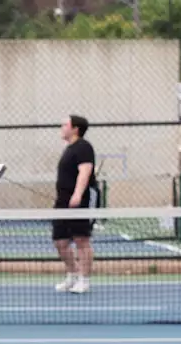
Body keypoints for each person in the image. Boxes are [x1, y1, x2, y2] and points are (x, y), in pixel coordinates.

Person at [52, 114, 101, 294]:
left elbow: (85, 171)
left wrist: (77, 195)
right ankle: (72, 275)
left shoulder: (83, 147)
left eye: (65, 124)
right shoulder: (69, 148)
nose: (62, 127)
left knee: (82, 240)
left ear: (75, 129)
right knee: (60, 242)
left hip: (80, 200)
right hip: (62, 201)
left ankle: (84, 280)